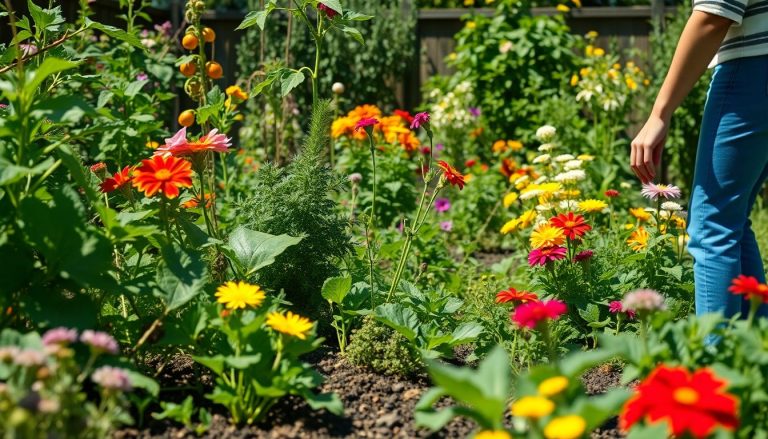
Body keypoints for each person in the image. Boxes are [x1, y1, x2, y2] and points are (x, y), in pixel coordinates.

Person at [631, 3, 768, 319]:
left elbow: (713, 16)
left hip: (750, 74)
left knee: (712, 226)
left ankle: (712, 363)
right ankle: (752, 359)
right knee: (731, 221)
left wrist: (658, 114)